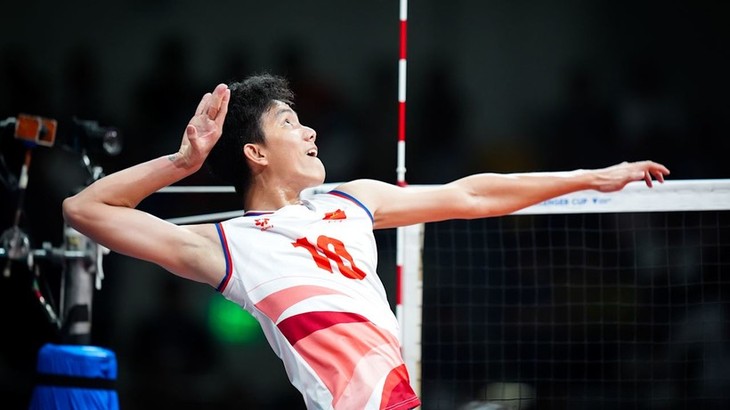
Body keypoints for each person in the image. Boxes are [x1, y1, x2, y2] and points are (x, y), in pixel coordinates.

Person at [61, 73, 670, 410]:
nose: (310, 131)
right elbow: (83, 209)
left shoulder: (351, 201)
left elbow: (473, 195)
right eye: (290, 124)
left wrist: (594, 177)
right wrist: (181, 161)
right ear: (255, 153)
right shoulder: (229, 245)